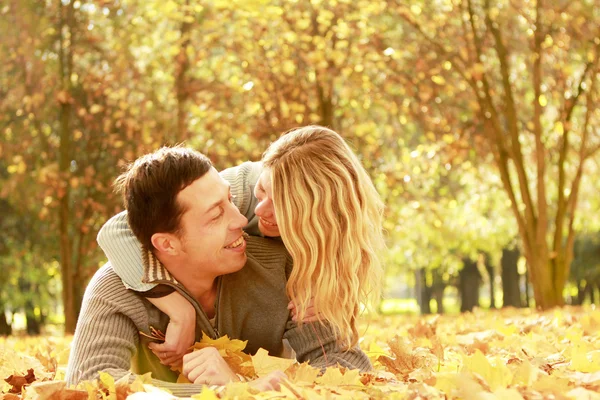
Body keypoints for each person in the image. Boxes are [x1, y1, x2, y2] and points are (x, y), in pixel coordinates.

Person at [66, 143, 373, 396]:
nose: (242, 219)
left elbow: (347, 367)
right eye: (216, 216)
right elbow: (90, 387)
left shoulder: (281, 263)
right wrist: (219, 394)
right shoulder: (115, 288)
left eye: (230, 200)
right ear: (167, 244)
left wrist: (251, 391)